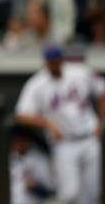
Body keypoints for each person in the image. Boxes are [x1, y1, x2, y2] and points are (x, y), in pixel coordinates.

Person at [16, 45, 105, 204]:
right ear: (45, 62)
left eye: (56, 60)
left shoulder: (79, 72)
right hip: (64, 143)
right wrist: (47, 123)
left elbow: (102, 91)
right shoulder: (37, 83)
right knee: (70, 194)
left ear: (62, 59)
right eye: (50, 61)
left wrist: (102, 122)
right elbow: (22, 114)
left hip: (89, 137)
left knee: (91, 195)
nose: (53, 64)